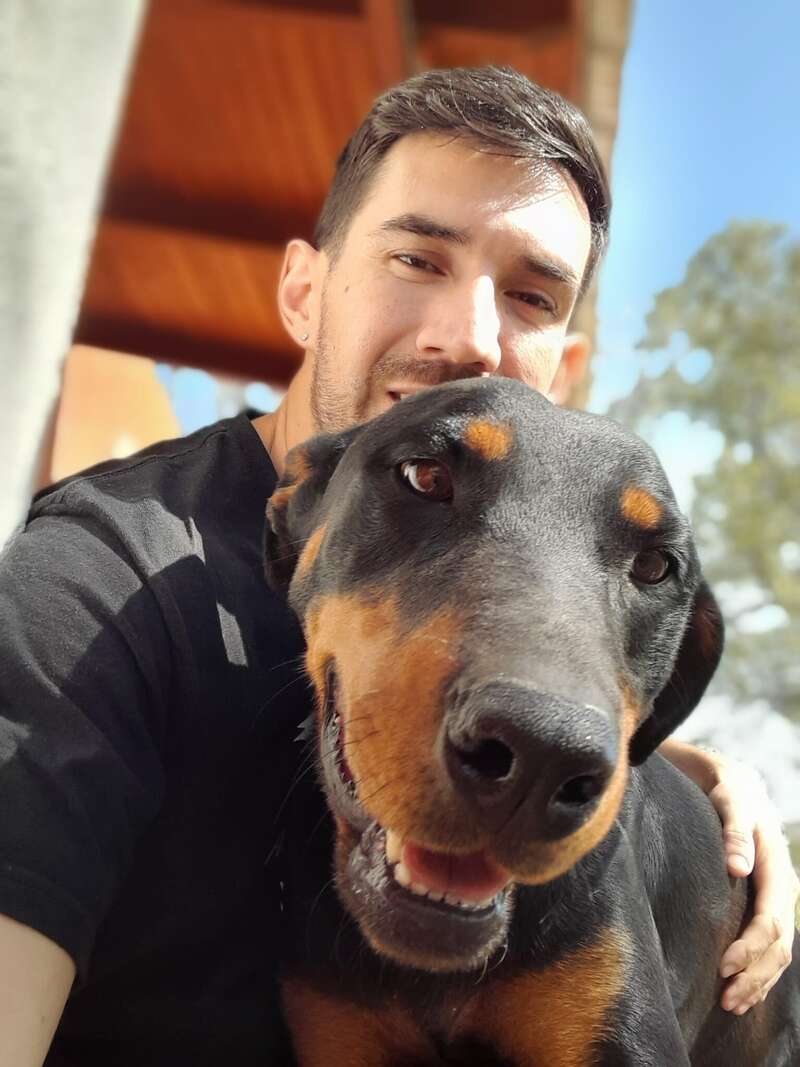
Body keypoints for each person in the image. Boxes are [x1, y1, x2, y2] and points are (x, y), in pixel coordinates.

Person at [0, 65, 796, 1067]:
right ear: (303, 290)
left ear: (566, 369)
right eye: (416, 257)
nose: (469, 338)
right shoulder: (94, 587)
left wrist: (689, 776)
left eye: (530, 295)